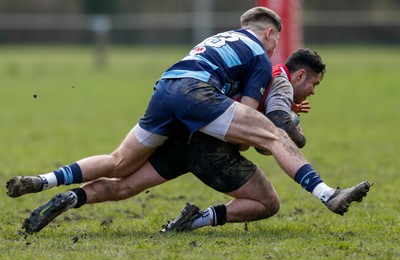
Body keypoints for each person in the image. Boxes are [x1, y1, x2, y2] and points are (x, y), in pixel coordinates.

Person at [7, 7, 370, 233]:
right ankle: (327, 195)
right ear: (270, 33)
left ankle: (47, 183)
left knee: (120, 166)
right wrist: (279, 124)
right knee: (274, 138)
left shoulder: (218, 38)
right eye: (273, 44)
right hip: (197, 96)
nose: (273, 52)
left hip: (167, 86)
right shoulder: (260, 55)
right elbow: (246, 118)